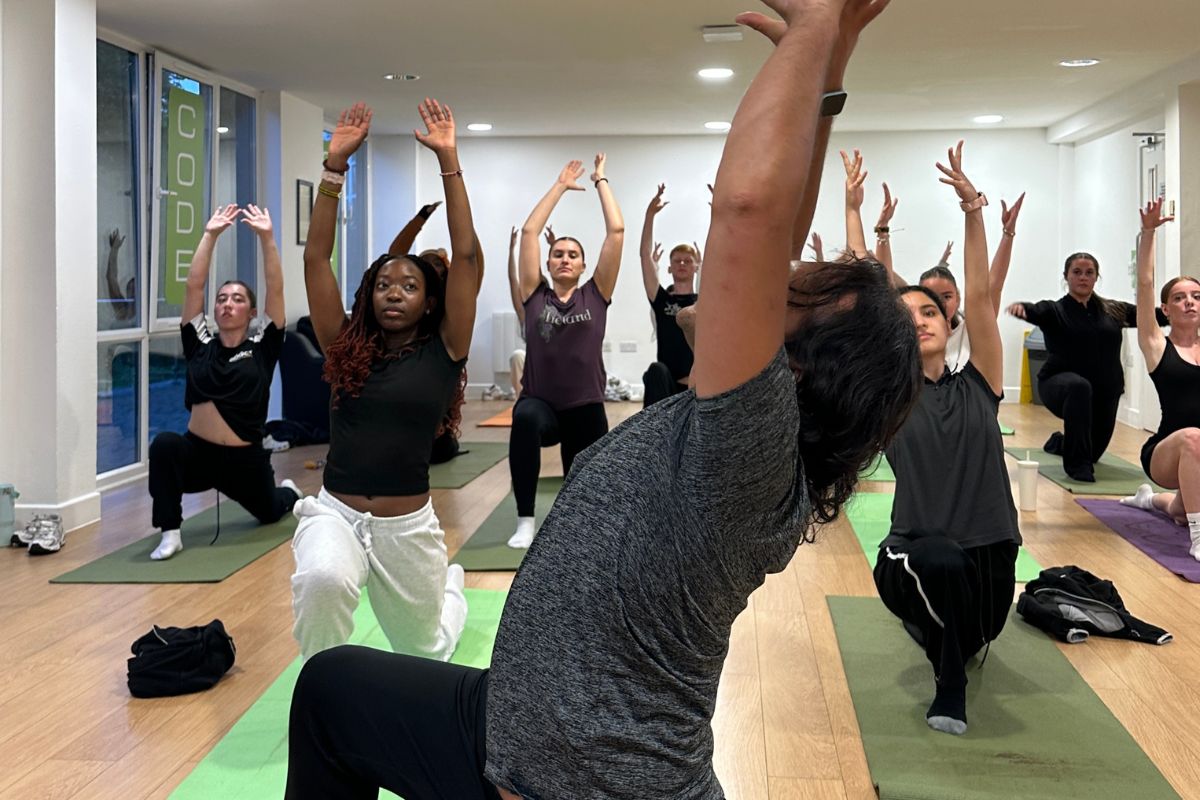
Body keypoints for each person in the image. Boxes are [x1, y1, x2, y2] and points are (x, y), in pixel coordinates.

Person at [283, 2, 917, 798]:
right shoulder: (733, 434)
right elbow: (778, 229)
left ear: (792, 370)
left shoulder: (748, 457)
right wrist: (829, 69)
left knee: (338, 699)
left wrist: (818, 23)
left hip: (589, 778)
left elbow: (754, 215)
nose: (763, 284)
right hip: (511, 722)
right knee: (332, 691)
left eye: (785, 296)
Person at [290, 98, 479, 661]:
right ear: (369, 295)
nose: (394, 293)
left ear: (429, 302)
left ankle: (451, 591)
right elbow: (316, 260)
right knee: (322, 581)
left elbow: (467, 256)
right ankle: (323, 691)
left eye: (409, 286)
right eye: (383, 285)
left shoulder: (446, 349)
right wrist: (334, 168)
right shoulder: (344, 345)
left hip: (406, 528)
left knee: (426, 650)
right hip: (337, 514)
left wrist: (448, 161)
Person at [874, 140, 1018, 737]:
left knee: (976, 627)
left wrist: (974, 210)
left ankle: (945, 635)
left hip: (991, 553)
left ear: (947, 322)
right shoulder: (889, 396)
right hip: (913, 553)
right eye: (906, 316)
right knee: (938, 564)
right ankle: (949, 683)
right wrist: (867, 220)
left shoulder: (981, 382)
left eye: (929, 312)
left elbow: (981, 296)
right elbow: (873, 293)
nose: (919, 320)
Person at [147, 204, 298, 561]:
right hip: (198, 455)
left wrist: (267, 238)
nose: (228, 304)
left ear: (251, 312)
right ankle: (170, 533)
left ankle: (290, 492)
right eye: (222, 299)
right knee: (165, 445)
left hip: (245, 461)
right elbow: (193, 285)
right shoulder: (198, 344)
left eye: (238, 299)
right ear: (214, 309)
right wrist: (210, 235)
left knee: (271, 510)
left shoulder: (262, 347)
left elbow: (276, 288)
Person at [505, 152, 625, 549]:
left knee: (588, 481)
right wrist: (559, 186)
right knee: (524, 418)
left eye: (573, 255)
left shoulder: (596, 294)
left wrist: (600, 180)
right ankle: (525, 521)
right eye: (558, 254)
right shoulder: (534, 295)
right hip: (539, 403)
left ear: (583, 264)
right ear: (549, 261)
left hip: (584, 406)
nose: (565, 259)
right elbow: (530, 232)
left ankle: (578, 528)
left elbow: (617, 232)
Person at [1007, 250, 1150, 481]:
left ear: (1096, 277)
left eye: (1089, 272)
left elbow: (1149, 316)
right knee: (1079, 387)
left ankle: (1059, 443)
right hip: (1059, 385)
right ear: (1066, 276)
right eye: (1077, 272)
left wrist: (1174, 313)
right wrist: (1022, 308)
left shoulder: (1114, 310)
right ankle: (1077, 468)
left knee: (1093, 452)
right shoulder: (1055, 310)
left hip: (1105, 392)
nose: (1083, 277)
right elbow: (1036, 311)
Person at [1120, 199, 1200, 559]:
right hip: (1167, 452)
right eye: (1180, 298)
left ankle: (1150, 500)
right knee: (1193, 437)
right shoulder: (1157, 345)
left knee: (1180, 510)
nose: (1189, 302)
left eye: (1196, 297)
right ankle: (1199, 538)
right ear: (1166, 309)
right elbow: (1146, 283)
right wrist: (1149, 233)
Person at [386, 201, 483, 464]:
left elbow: (472, 261)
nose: (434, 268)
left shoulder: (456, 304)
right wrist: (421, 217)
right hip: (403, 373)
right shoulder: (409, 300)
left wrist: (465, 222)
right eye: (427, 264)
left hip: (438, 374)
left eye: (439, 265)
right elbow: (393, 257)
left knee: (439, 448)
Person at [639, 183, 701, 406]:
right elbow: (645, 257)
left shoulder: (704, 301)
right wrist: (649, 215)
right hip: (668, 387)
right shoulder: (662, 300)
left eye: (687, 261)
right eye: (677, 261)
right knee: (655, 370)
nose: (682, 264)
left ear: (697, 267)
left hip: (698, 386)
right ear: (669, 268)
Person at [505, 226, 527, 397]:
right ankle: (522, 399)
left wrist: (553, 247)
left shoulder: (555, 309)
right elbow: (513, 280)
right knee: (517, 355)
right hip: (534, 362)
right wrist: (512, 249)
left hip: (555, 362)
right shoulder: (525, 313)